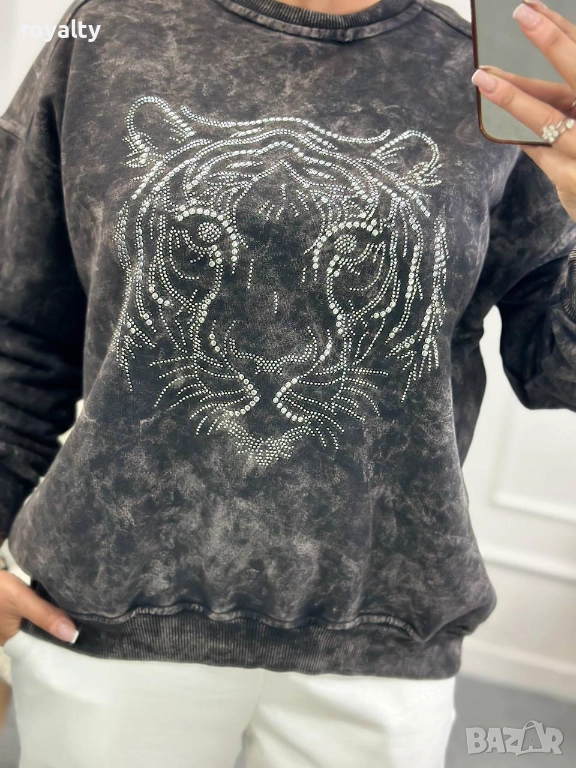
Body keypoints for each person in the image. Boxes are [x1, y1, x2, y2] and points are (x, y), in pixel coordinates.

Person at [0, 0, 575, 765]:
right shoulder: (110, 33)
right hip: (106, 618)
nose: (275, 353)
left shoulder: (492, 74)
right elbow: (15, 329)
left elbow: (556, 371)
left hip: (382, 635)